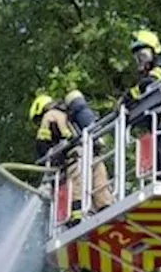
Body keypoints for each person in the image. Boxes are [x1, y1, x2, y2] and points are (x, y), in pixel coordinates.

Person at [29, 89, 109, 217]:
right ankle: (105, 207)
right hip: (92, 150)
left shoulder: (49, 116)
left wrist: (48, 162)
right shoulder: (69, 114)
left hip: (75, 153)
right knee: (99, 180)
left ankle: (76, 215)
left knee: (76, 183)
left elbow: (42, 144)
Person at [121, 28, 161, 173]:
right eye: (137, 57)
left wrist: (129, 96)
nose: (140, 60)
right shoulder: (151, 72)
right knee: (160, 163)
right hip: (160, 124)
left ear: (154, 51)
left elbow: (150, 82)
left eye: (143, 55)